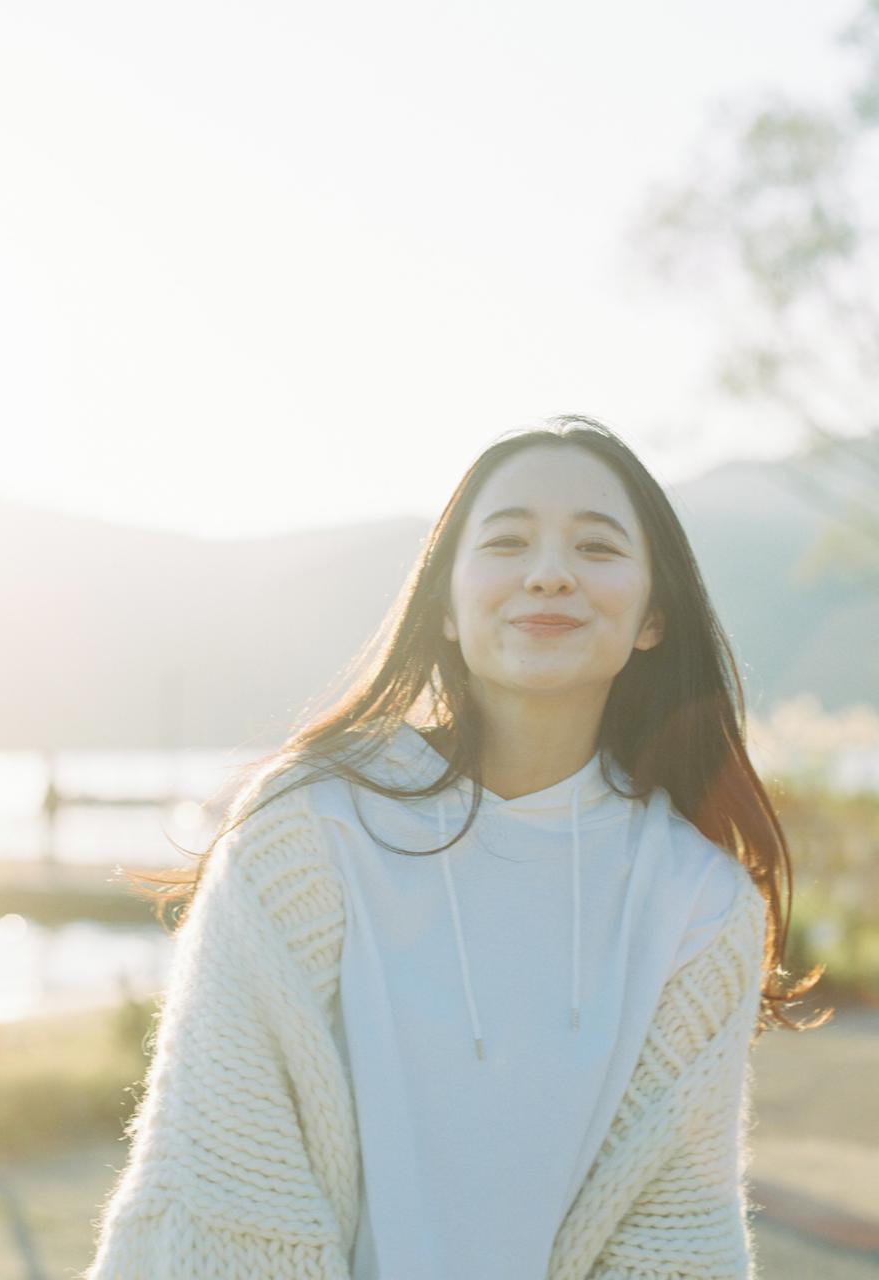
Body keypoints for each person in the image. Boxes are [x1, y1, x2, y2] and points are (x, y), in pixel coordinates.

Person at [79, 414, 828, 1280]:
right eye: (508, 542)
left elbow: (673, 1236)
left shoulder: (700, 902)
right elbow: (225, 1179)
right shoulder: (309, 826)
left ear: (654, 618)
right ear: (443, 605)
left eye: (597, 548)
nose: (549, 575)